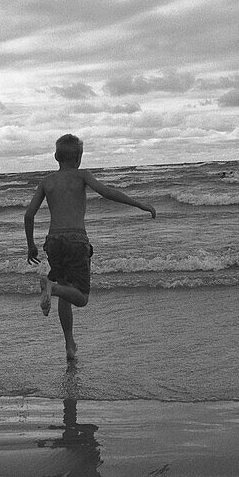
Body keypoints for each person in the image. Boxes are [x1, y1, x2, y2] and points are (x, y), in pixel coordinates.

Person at [25, 134, 156, 362]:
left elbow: (29, 214)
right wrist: (141, 204)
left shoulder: (47, 181)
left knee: (65, 291)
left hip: (54, 241)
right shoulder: (82, 175)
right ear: (80, 157)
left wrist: (31, 246)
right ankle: (51, 288)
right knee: (82, 297)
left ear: (56, 157)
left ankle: (69, 345)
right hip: (76, 240)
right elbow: (107, 192)